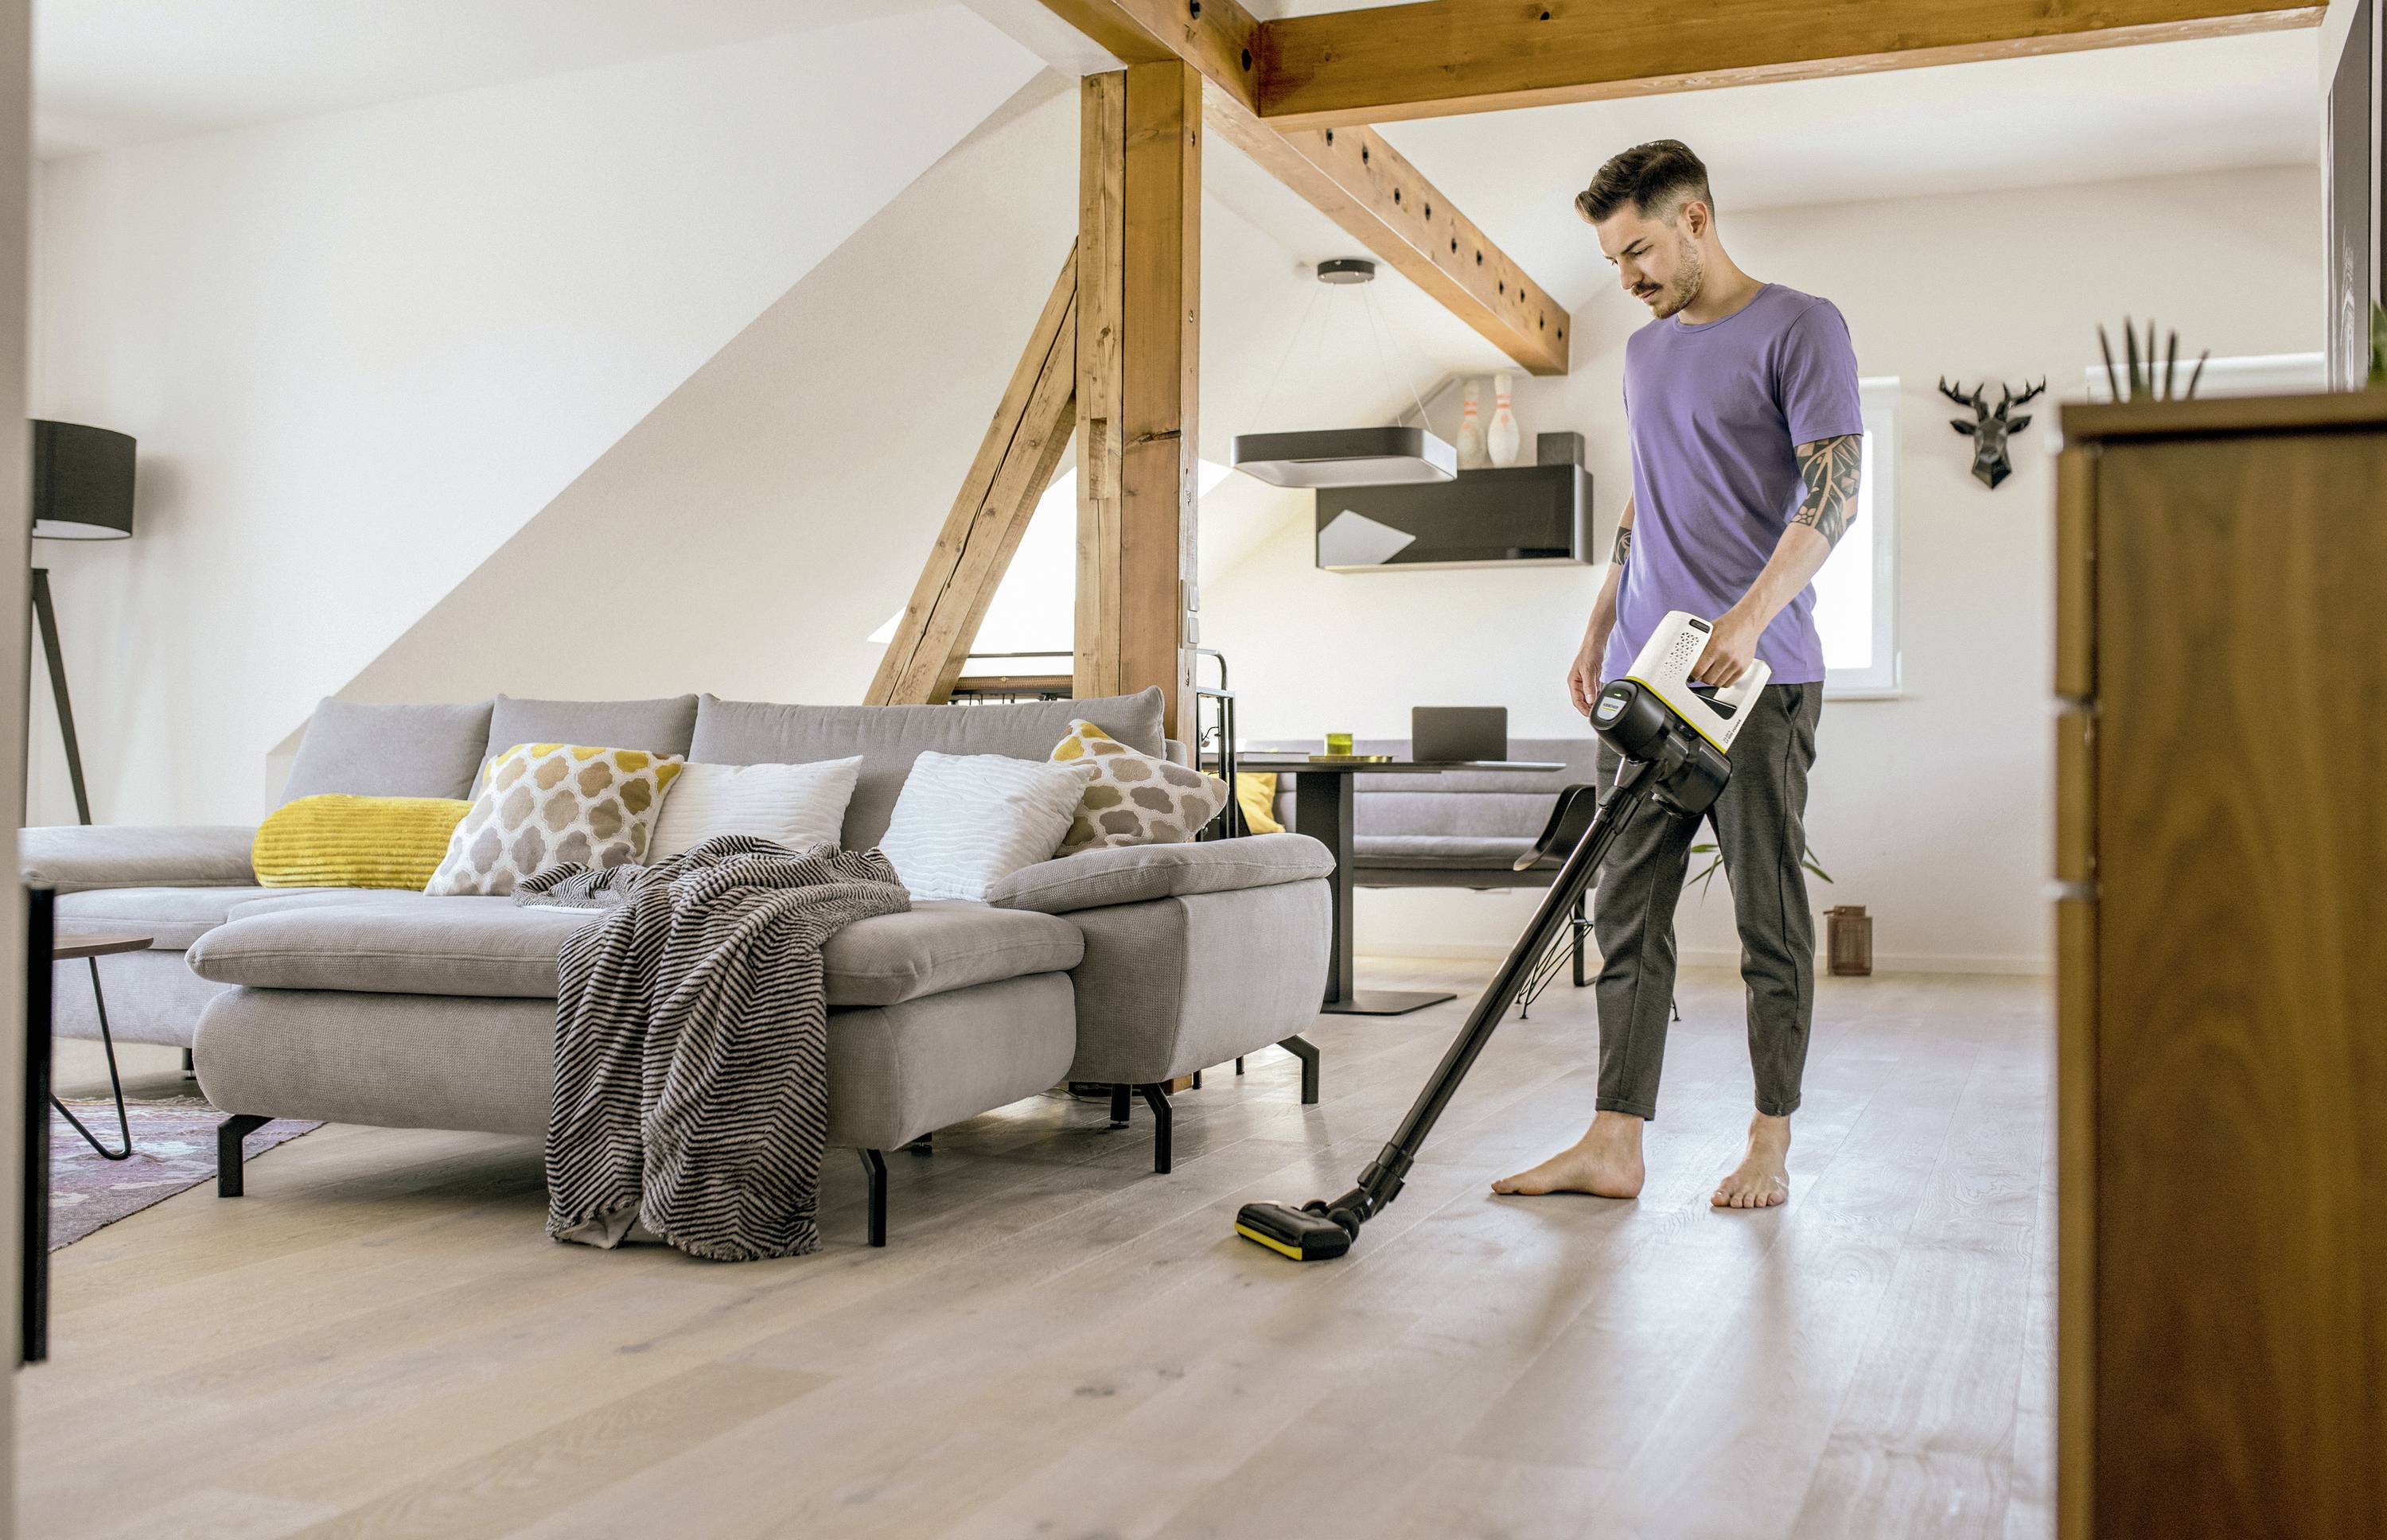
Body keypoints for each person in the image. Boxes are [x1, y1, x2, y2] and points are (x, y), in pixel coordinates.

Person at [1494, 140, 1862, 1211]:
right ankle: (1615, 1143)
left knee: (1766, 918)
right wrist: (1599, 619)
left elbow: (1834, 494)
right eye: (1613, 259)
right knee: (1627, 908)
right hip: (1647, 677)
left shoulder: (1802, 326)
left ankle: (1769, 1140)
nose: (1627, 277)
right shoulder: (1645, 354)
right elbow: (1648, 494)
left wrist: (1751, 618)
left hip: (1758, 679)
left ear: (1695, 219)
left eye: (1639, 251)